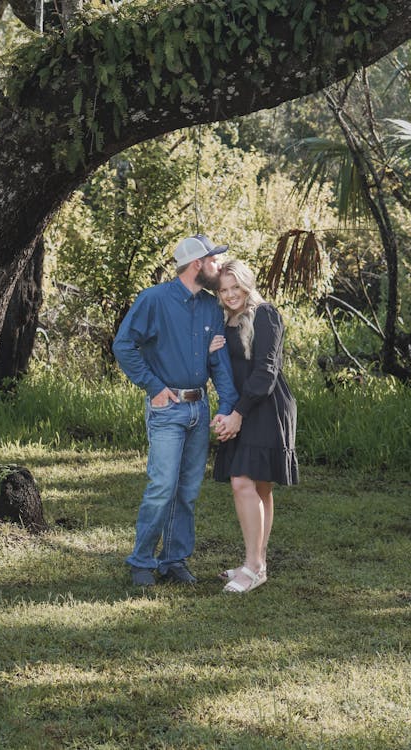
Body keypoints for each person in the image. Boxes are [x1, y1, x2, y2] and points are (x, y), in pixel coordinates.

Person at [113, 235, 239, 587]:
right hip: (167, 410)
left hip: (200, 409)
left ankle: (174, 561)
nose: (219, 266)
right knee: (162, 486)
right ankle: (142, 561)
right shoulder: (153, 299)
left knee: (187, 491)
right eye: (214, 260)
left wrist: (227, 406)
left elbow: (219, 362)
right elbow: (124, 345)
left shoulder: (212, 308)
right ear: (197, 263)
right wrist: (153, 387)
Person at [210, 259, 299, 593]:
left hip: (267, 406)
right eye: (224, 290)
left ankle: (253, 566)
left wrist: (238, 414)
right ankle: (256, 563)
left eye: (236, 287)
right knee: (258, 487)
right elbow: (226, 369)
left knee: (243, 481)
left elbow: (265, 371)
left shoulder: (265, 314)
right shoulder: (224, 319)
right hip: (242, 406)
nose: (231, 295)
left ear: (247, 285)